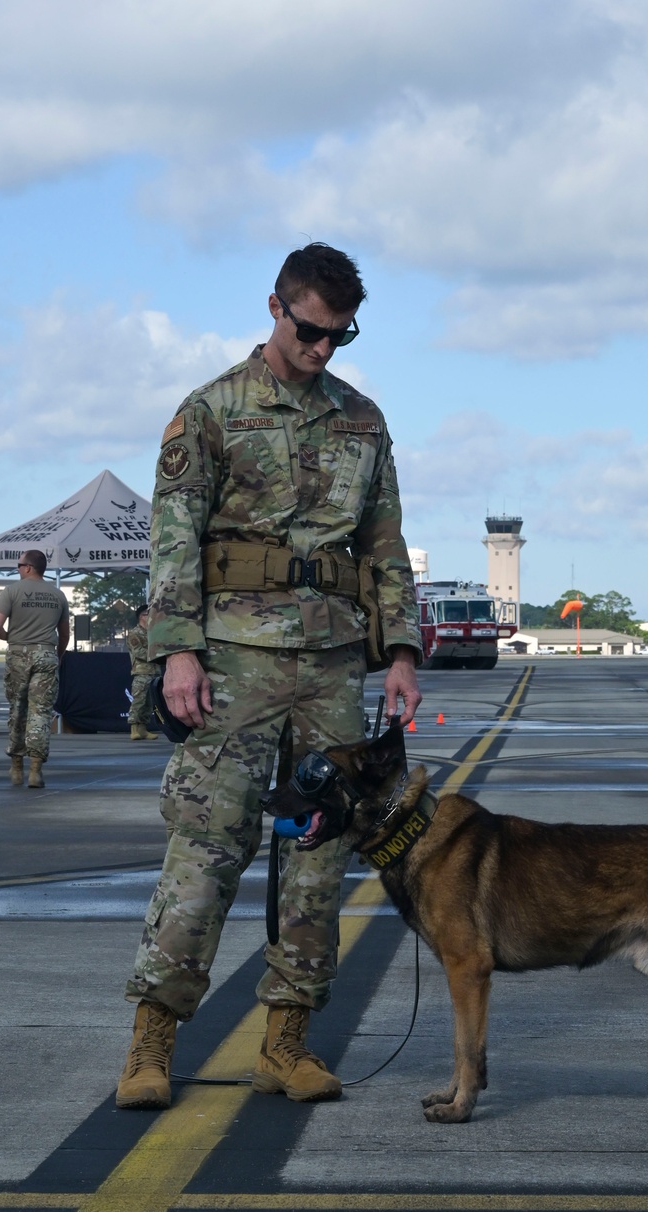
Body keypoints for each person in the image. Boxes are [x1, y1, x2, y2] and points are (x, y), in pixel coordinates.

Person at [116, 243, 423, 1111]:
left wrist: (400, 649)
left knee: (317, 857)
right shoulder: (209, 411)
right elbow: (173, 541)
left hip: (330, 667)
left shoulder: (363, 421)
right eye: (313, 330)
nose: (325, 349)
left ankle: (286, 1042)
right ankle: (151, 1042)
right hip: (233, 659)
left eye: (342, 335)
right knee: (208, 848)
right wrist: (176, 649)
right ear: (276, 308)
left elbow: (385, 542)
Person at [0, 550, 70, 789]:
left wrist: (12, 639)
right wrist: (56, 655)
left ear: (28, 568)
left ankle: (16, 767)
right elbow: (64, 634)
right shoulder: (58, 595)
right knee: (41, 713)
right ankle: (36, 770)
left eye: (19, 565)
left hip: (18, 653)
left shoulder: (11, 591)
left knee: (17, 709)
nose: (18, 568)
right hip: (46, 653)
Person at [126, 604, 158, 740]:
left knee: (149, 702)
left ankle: (143, 729)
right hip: (141, 671)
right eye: (147, 614)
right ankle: (134, 728)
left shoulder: (153, 632)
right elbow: (138, 652)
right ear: (141, 616)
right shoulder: (135, 633)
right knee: (139, 700)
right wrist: (157, 655)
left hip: (154, 671)